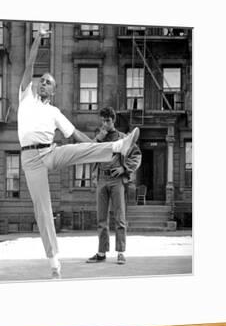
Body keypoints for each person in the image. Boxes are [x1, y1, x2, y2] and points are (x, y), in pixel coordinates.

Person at [18, 29, 139, 279]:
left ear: (54, 91)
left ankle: (119, 146)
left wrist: (97, 148)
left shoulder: (55, 112)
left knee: (78, 149)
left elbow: (77, 137)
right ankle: (54, 261)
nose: (43, 83)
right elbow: (29, 65)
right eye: (41, 80)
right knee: (43, 208)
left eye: (48, 82)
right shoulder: (25, 98)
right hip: (30, 160)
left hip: (49, 152)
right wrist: (39, 39)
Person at [86, 107, 142, 265]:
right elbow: (89, 152)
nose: (105, 123)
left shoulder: (123, 138)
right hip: (102, 179)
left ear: (113, 120)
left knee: (120, 217)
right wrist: (99, 138)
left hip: (117, 180)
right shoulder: (99, 137)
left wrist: (125, 168)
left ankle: (121, 253)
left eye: (108, 120)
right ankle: (101, 252)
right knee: (101, 218)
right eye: (103, 120)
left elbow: (136, 155)